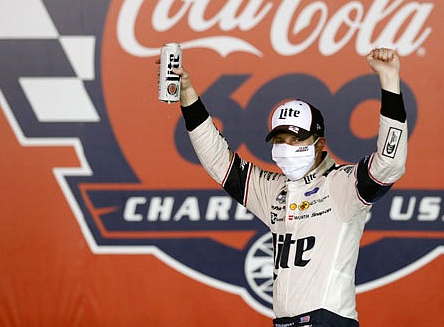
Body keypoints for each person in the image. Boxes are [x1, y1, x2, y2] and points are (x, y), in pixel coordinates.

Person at [170, 48, 407, 327]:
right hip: (284, 322)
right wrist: (187, 95)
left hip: (327, 321)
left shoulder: (341, 185)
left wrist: (390, 82)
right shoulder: (274, 190)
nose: (285, 147)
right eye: (279, 139)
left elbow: (389, 164)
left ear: (319, 144)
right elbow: (218, 161)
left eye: (296, 139)